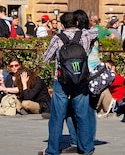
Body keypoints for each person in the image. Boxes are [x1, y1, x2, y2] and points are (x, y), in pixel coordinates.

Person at [40, 11, 98, 155]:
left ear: (62, 24)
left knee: (57, 117)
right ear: (77, 23)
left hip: (61, 81)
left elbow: (46, 58)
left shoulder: (57, 38)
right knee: (82, 115)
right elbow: (97, 30)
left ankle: (52, 150)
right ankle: (86, 148)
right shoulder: (85, 35)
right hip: (80, 80)